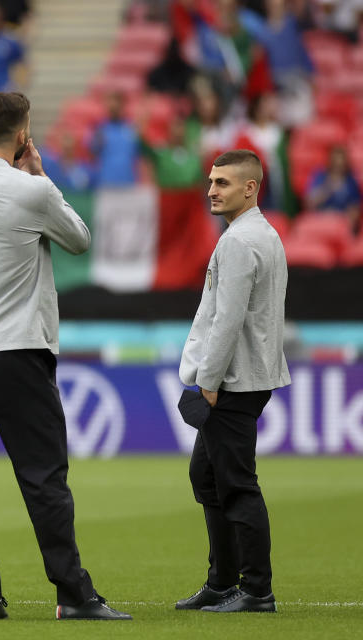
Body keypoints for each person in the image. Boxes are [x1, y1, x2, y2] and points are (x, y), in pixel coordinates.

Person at [0, 91, 131, 622]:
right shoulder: (30, 192)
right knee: (42, 477)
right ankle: (73, 595)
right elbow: (79, 240)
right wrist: (40, 175)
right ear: (23, 133)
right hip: (17, 349)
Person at [175, 149, 290, 613]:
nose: (211, 190)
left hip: (233, 380)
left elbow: (227, 320)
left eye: (222, 183)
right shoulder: (262, 234)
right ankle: (222, 582)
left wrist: (209, 381)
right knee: (206, 474)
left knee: (236, 484)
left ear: (250, 187)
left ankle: (257, 590)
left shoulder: (240, 242)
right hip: (245, 374)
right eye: (211, 181)